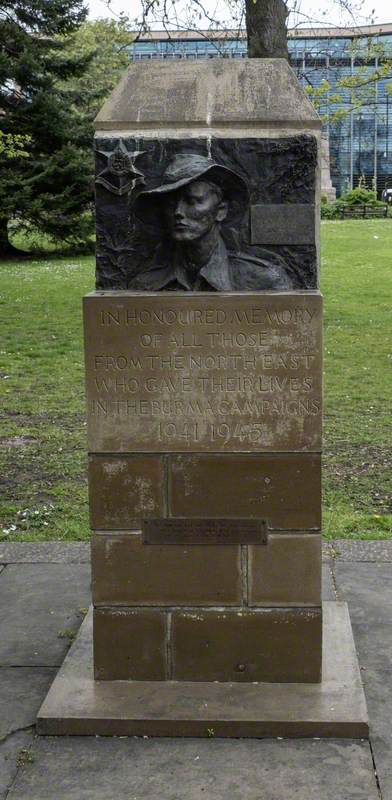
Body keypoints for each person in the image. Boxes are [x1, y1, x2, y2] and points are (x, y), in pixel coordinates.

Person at [130, 153, 293, 291]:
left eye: (192, 201)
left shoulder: (265, 281)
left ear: (221, 211)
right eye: (171, 204)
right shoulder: (145, 284)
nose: (178, 212)